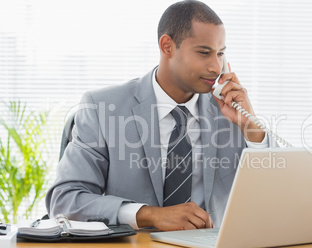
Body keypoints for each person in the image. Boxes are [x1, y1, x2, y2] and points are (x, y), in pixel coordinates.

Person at [45, 0, 270, 231]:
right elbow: (65, 199)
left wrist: (252, 130)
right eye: (204, 52)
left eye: (220, 53)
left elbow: (270, 201)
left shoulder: (229, 112)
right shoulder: (103, 109)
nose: (216, 66)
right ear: (167, 46)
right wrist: (148, 215)